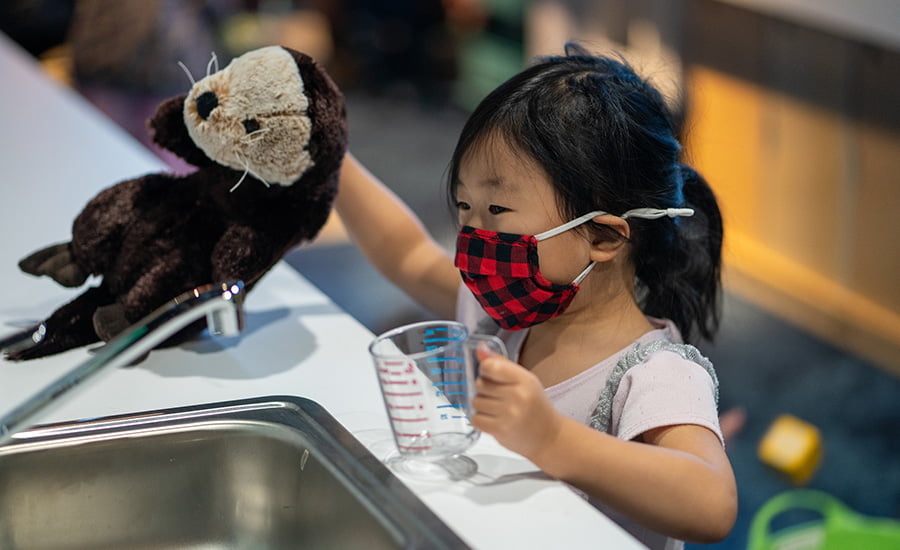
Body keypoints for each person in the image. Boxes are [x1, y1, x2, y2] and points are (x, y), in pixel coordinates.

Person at [335, 43, 737, 549]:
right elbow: (407, 254)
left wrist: (552, 438)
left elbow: (712, 503)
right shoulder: (503, 316)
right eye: (464, 206)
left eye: (498, 208)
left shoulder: (655, 373)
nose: (472, 234)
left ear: (604, 237)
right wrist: (331, 157)